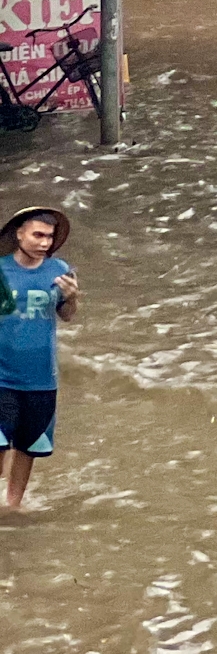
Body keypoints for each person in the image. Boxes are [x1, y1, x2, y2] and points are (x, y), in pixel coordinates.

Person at [0, 205, 77, 511]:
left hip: (42, 378)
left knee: (28, 449)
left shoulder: (59, 270)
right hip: (2, 375)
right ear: (19, 234)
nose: (45, 242)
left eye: (50, 236)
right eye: (38, 235)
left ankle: (12, 507)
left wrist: (73, 297)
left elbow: (68, 316)